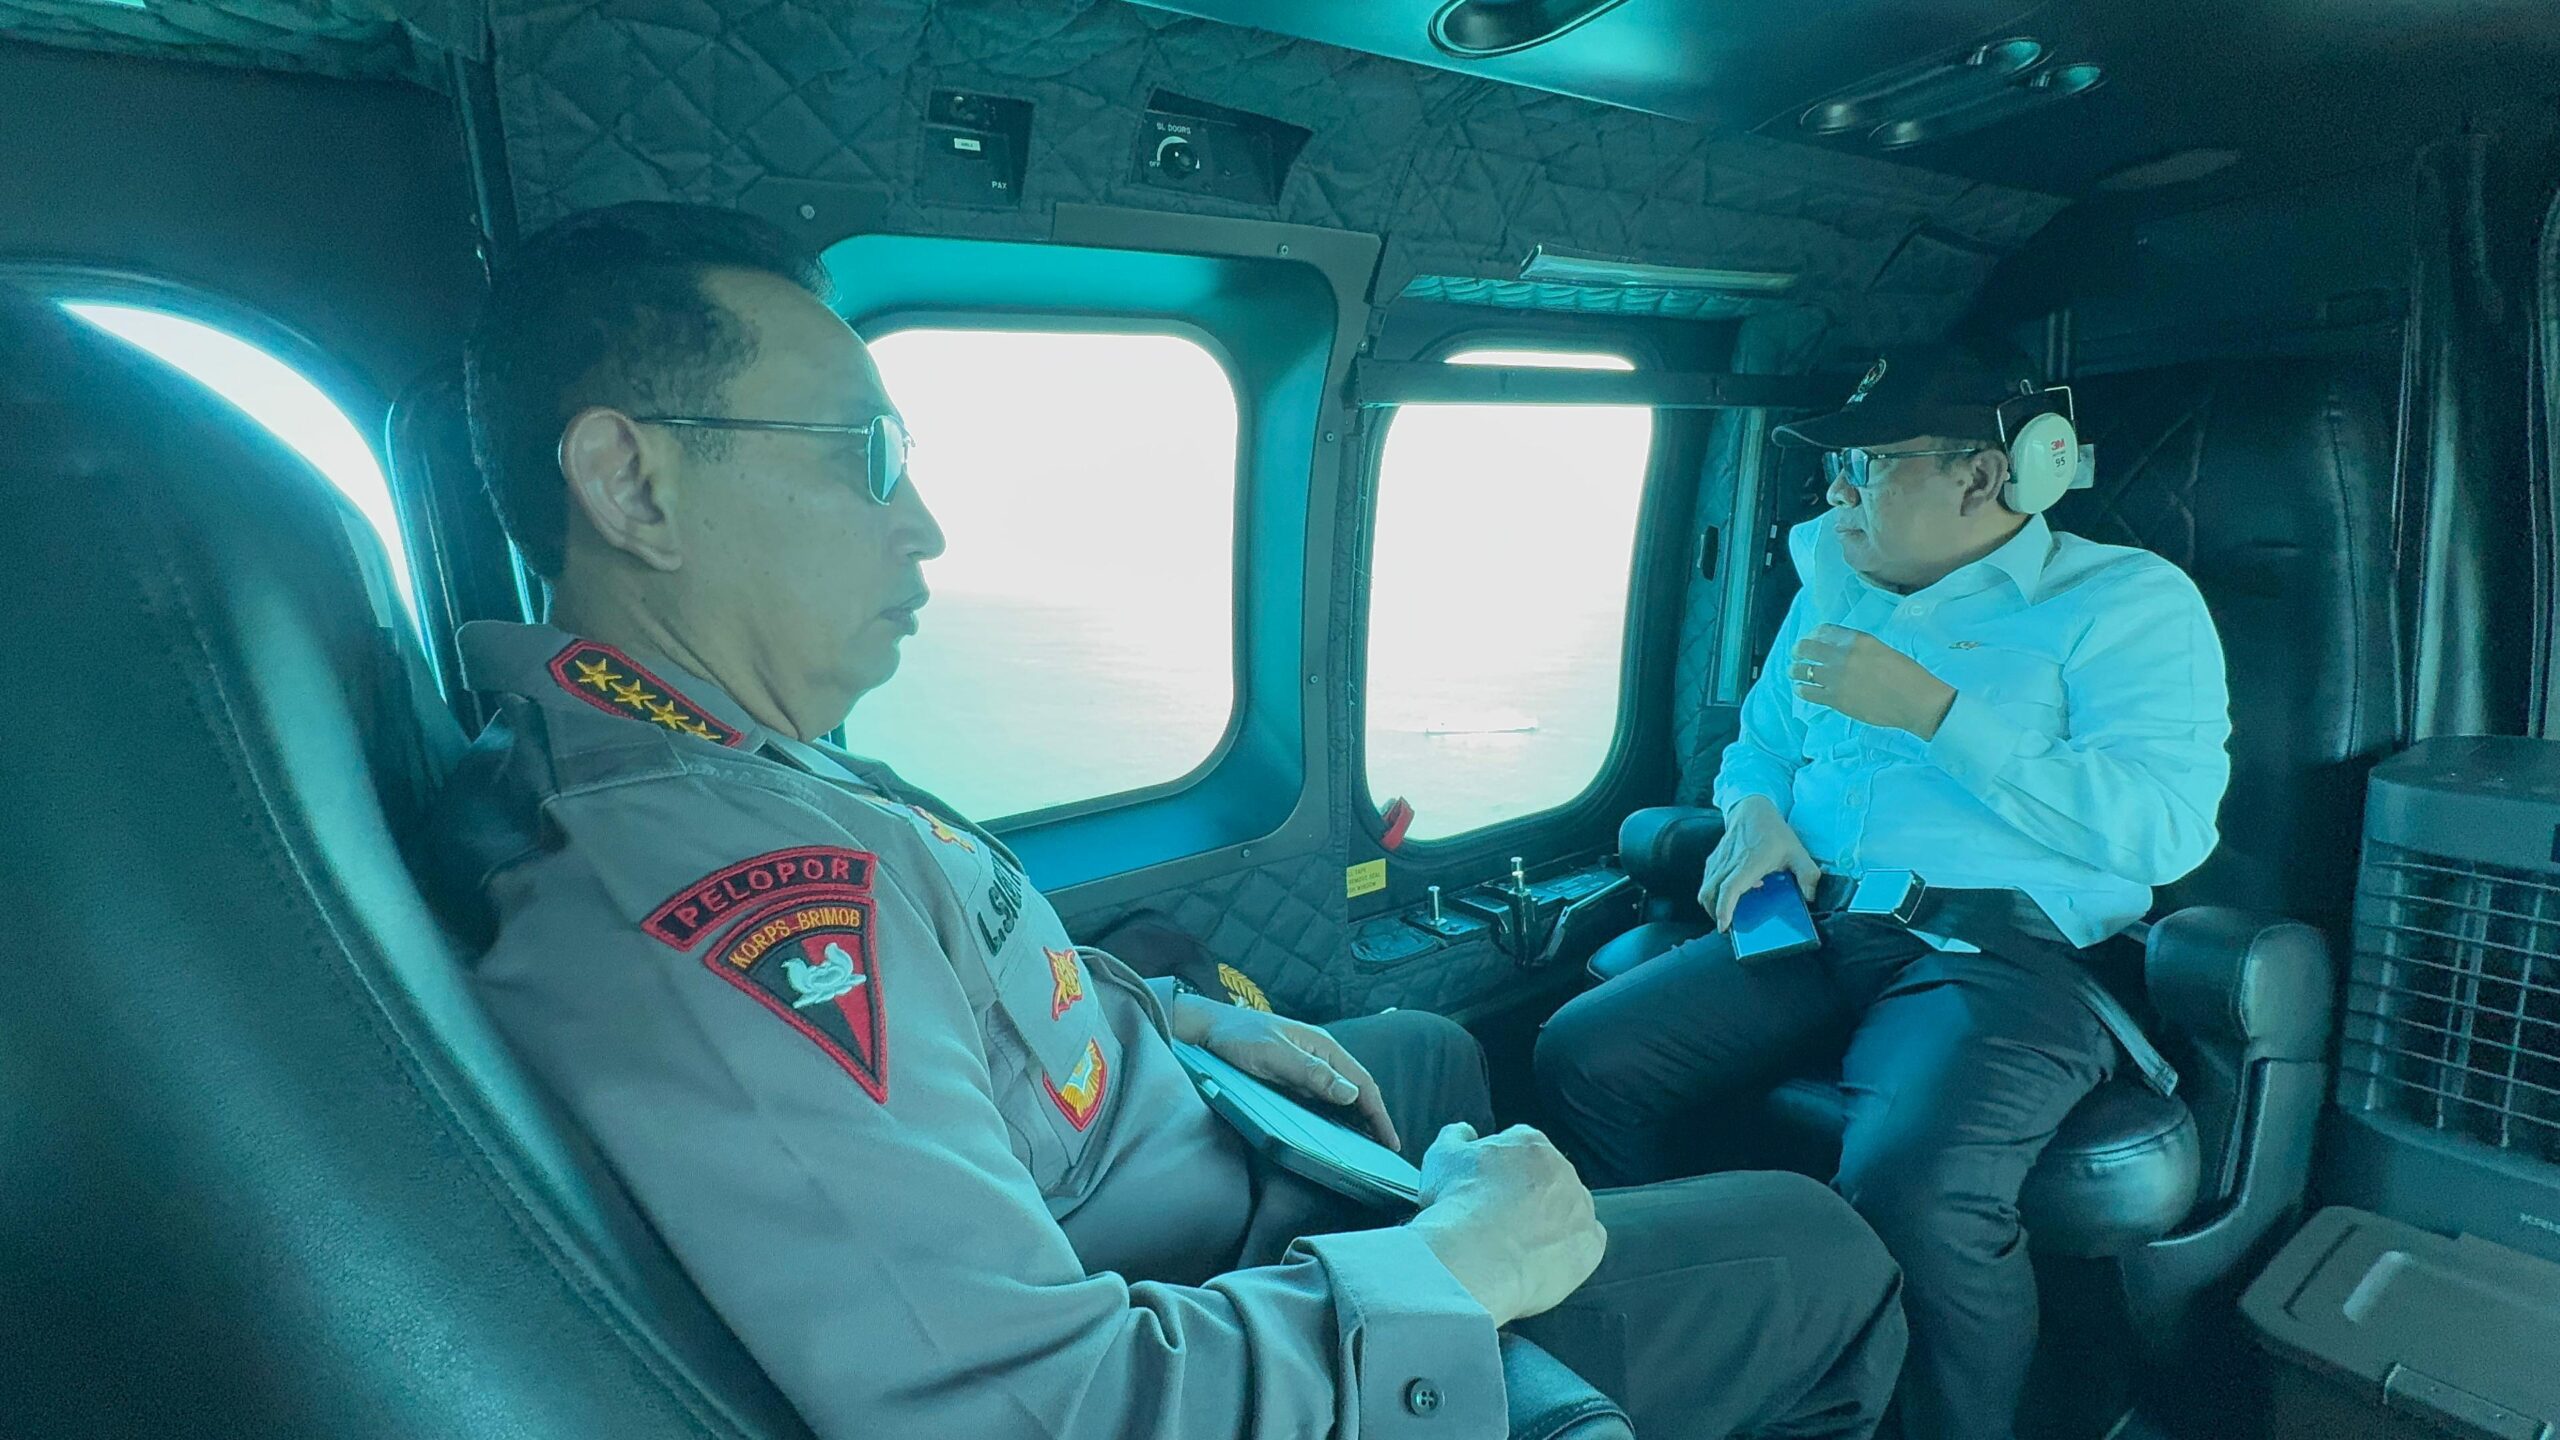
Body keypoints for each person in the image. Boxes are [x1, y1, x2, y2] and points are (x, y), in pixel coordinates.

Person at [423, 200, 1907, 1440]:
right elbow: (1037, 1410)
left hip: (1164, 1163)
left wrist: (1179, 1018)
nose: (922, 524)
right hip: (1190, 1299)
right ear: (632, 483)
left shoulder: (731, 753)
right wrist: (1462, 1267)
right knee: (1825, 1251)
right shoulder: (715, 889)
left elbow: (962, 990)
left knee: (1432, 1048)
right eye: (863, 455)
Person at [1535, 343, 2233, 1440]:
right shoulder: (1832, 584)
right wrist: (1755, 817)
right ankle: (1660, 1359)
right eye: (1838, 468)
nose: (1838, 493)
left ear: (1984, 476)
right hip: (1810, 914)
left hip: (2001, 949)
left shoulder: (2124, 601)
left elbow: (2162, 827)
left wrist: (1932, 711)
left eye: (1870, 466)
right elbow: (1760, 748)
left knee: (1915, 1185)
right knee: (1584, 1056)